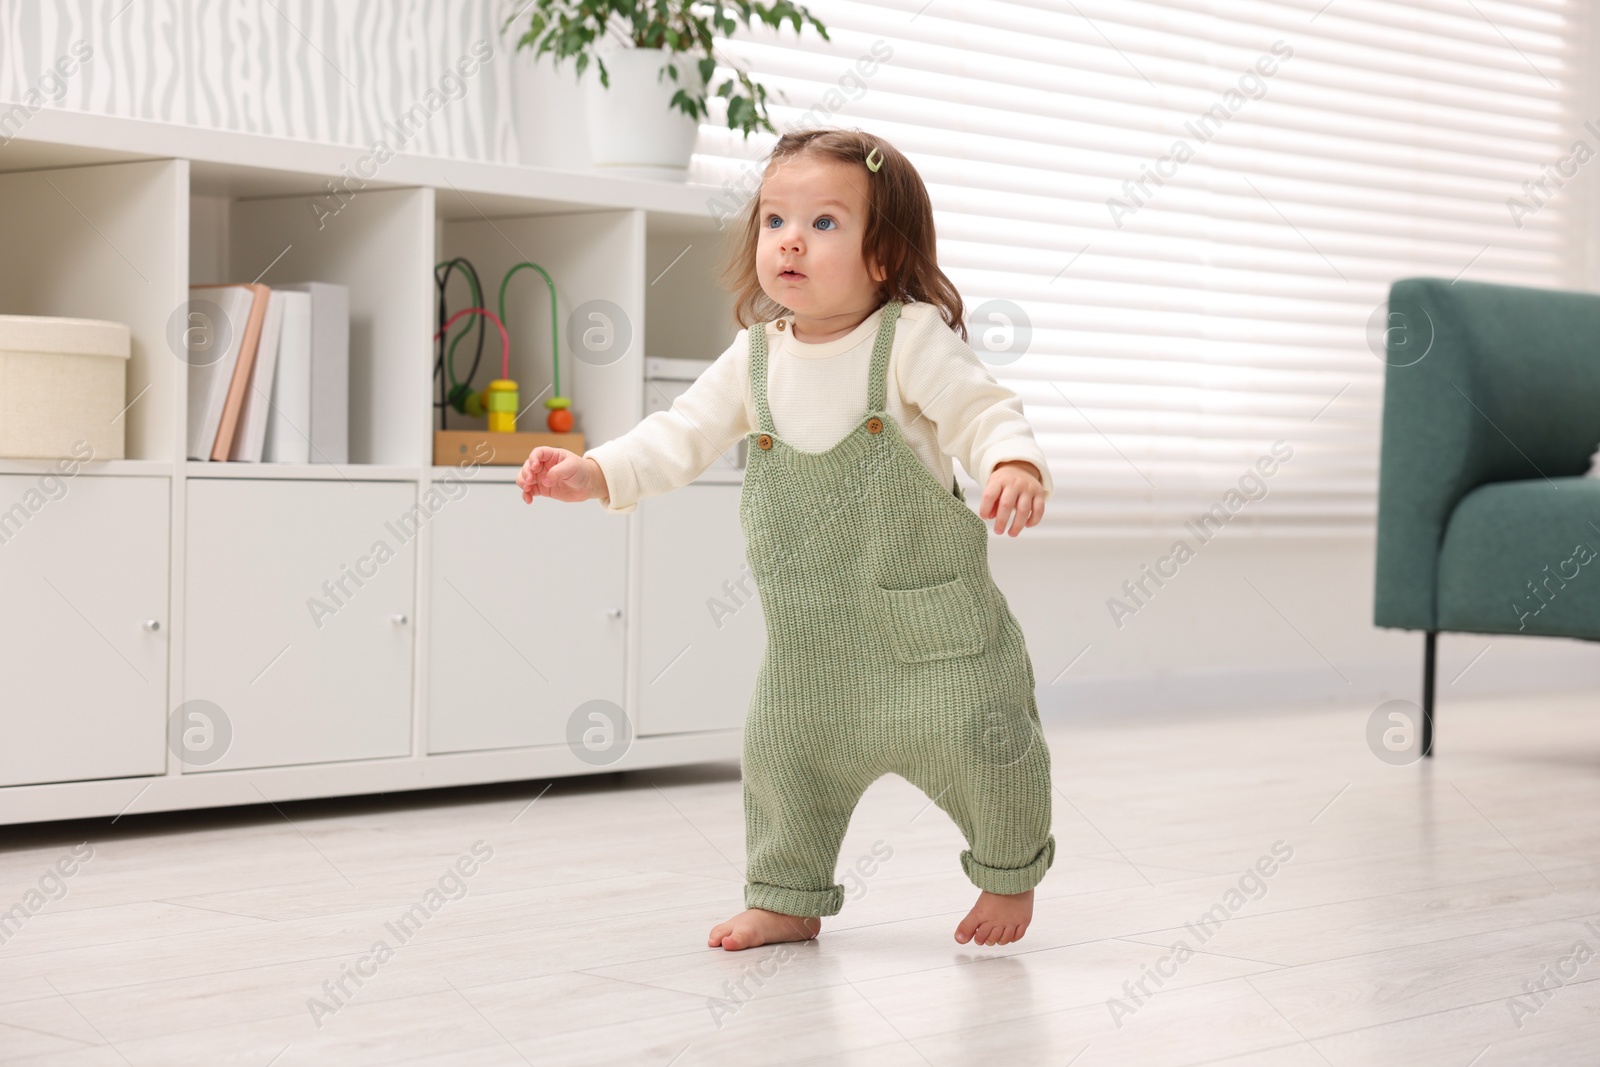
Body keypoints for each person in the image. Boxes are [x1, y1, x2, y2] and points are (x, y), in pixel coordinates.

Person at [517, 127, 1056, 952]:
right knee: (780, 762)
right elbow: (679, 434)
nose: (791, 239)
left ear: (885, 254)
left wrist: (1012, 460)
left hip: (934, 642)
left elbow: (982, 408)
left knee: (989, 739)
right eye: (774, 220)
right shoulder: (753, 358)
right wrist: (595, 472)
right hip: (813, 649)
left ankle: (1008, 872)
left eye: (825, 223)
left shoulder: (908, 339)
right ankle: (786, 893)